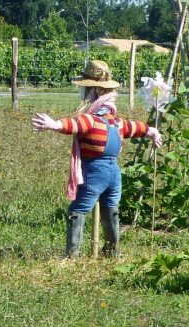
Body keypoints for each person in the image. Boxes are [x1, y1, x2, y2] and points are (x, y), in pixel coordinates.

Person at [32, 60, 162, 258]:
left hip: (94, 172)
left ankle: (72, 255)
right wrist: (152, 132)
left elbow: (73, 125)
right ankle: (112, 252)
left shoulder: (90, 119)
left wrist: (54, 124)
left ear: (94, 92)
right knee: (111, 208)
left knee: (78, 209)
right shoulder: (117, 122)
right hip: (114, 174)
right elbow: (136, 127)